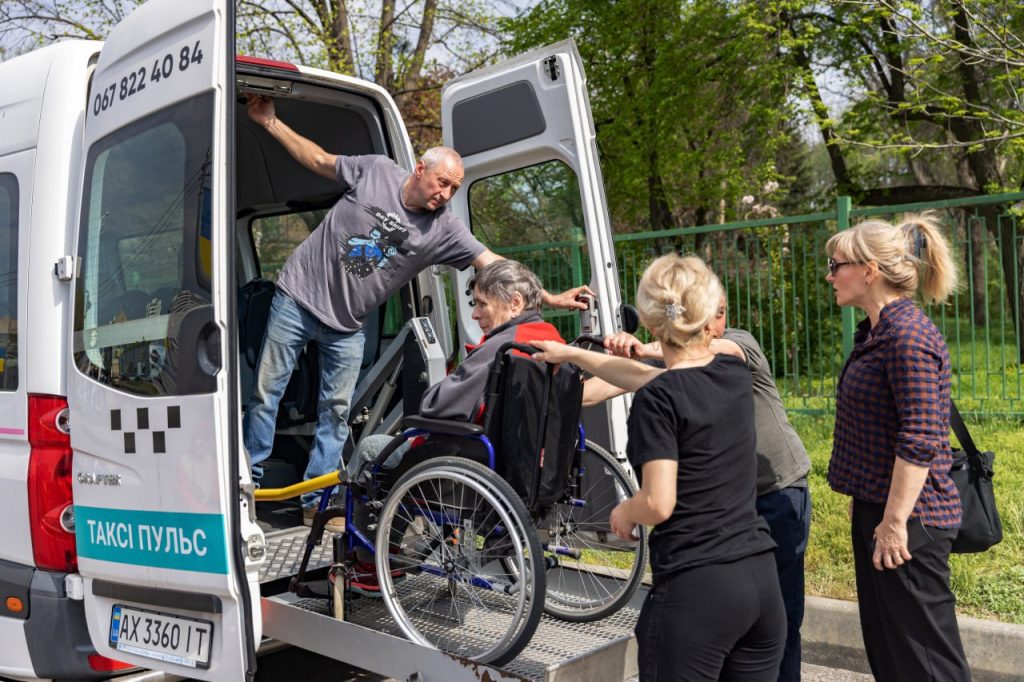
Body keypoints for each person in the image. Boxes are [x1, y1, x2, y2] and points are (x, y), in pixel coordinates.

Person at [242, 95, 592, 525]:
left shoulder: (443, 228)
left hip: (347, 326)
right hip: (296, 298)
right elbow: (317, 158)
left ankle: (317, 500)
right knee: (265, 394)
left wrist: (551, 297)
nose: (445, 194)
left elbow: (494, 264)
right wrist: (269, 122)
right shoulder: (375, 172)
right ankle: (251, 487)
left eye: (454, 189)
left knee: (335, 411)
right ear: (420, 170)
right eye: (441, 182)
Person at [534, 254, 785, 681]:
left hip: (698, 588)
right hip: (760, 582)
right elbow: (642, 376)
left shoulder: (661, 398)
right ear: (708, 314)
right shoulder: (732, 372)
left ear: (649, 323)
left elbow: (658, 502)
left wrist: (625, 511)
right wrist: (572, 354)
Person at [592, 300, 812, 682]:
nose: (718, 320)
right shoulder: (678, 363)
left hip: (777, 494)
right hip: (730, 510)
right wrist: (561, 370)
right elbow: (608, 382)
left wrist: (646, 347)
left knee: (780, 625)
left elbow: (713, 349)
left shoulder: (737, 346)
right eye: (709, 311)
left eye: (723, 310)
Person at [344, 259, 565, 595]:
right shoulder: (550, 340)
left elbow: (437, 406)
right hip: (532, 468)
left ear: (515, 303)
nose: (475, 314)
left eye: (480, 304)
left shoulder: (500, 347)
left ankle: (369, 562)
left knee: (372, 448)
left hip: (467, 463)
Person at [825, 213, 968, 681]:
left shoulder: (908, 336)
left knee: (926, 663)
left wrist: (891, 523)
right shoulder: (875, 332)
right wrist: (867, 503)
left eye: (836, 264)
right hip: (882, 510)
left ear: (868, 271)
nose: (830, 275)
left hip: (911, 521)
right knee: (890, 654)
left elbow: (922, 438)